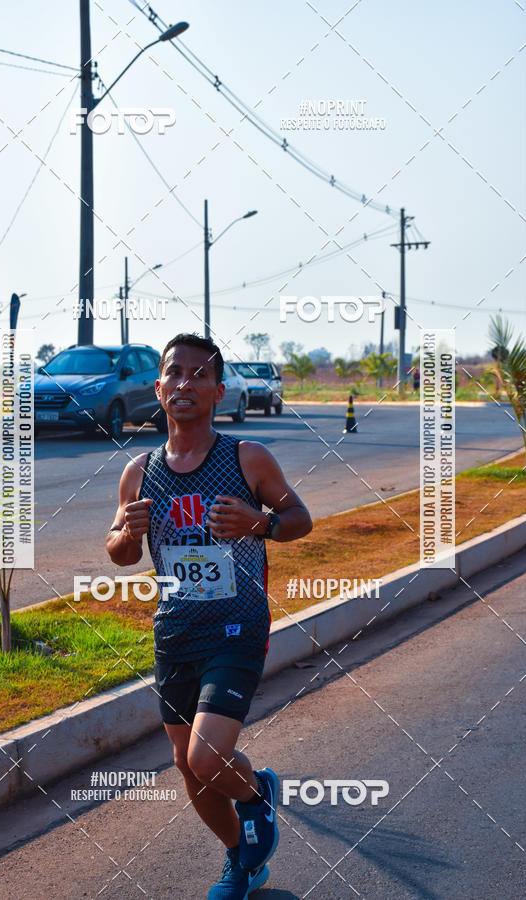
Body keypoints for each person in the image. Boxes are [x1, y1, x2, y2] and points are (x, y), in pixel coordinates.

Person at [106, 333, 312, 898]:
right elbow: (119, 552)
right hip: (176, 631)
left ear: (219, 391)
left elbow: (300, 518)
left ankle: (255, 797)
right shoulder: (139, 472)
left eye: (200, 375)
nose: (185, 383)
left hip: (237, 626)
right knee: (185, 762)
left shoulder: (246, 458)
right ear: (158, 387)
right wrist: (127, 531)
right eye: (174, 372)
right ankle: (241, 863)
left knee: (206, 755)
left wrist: (260, 522)